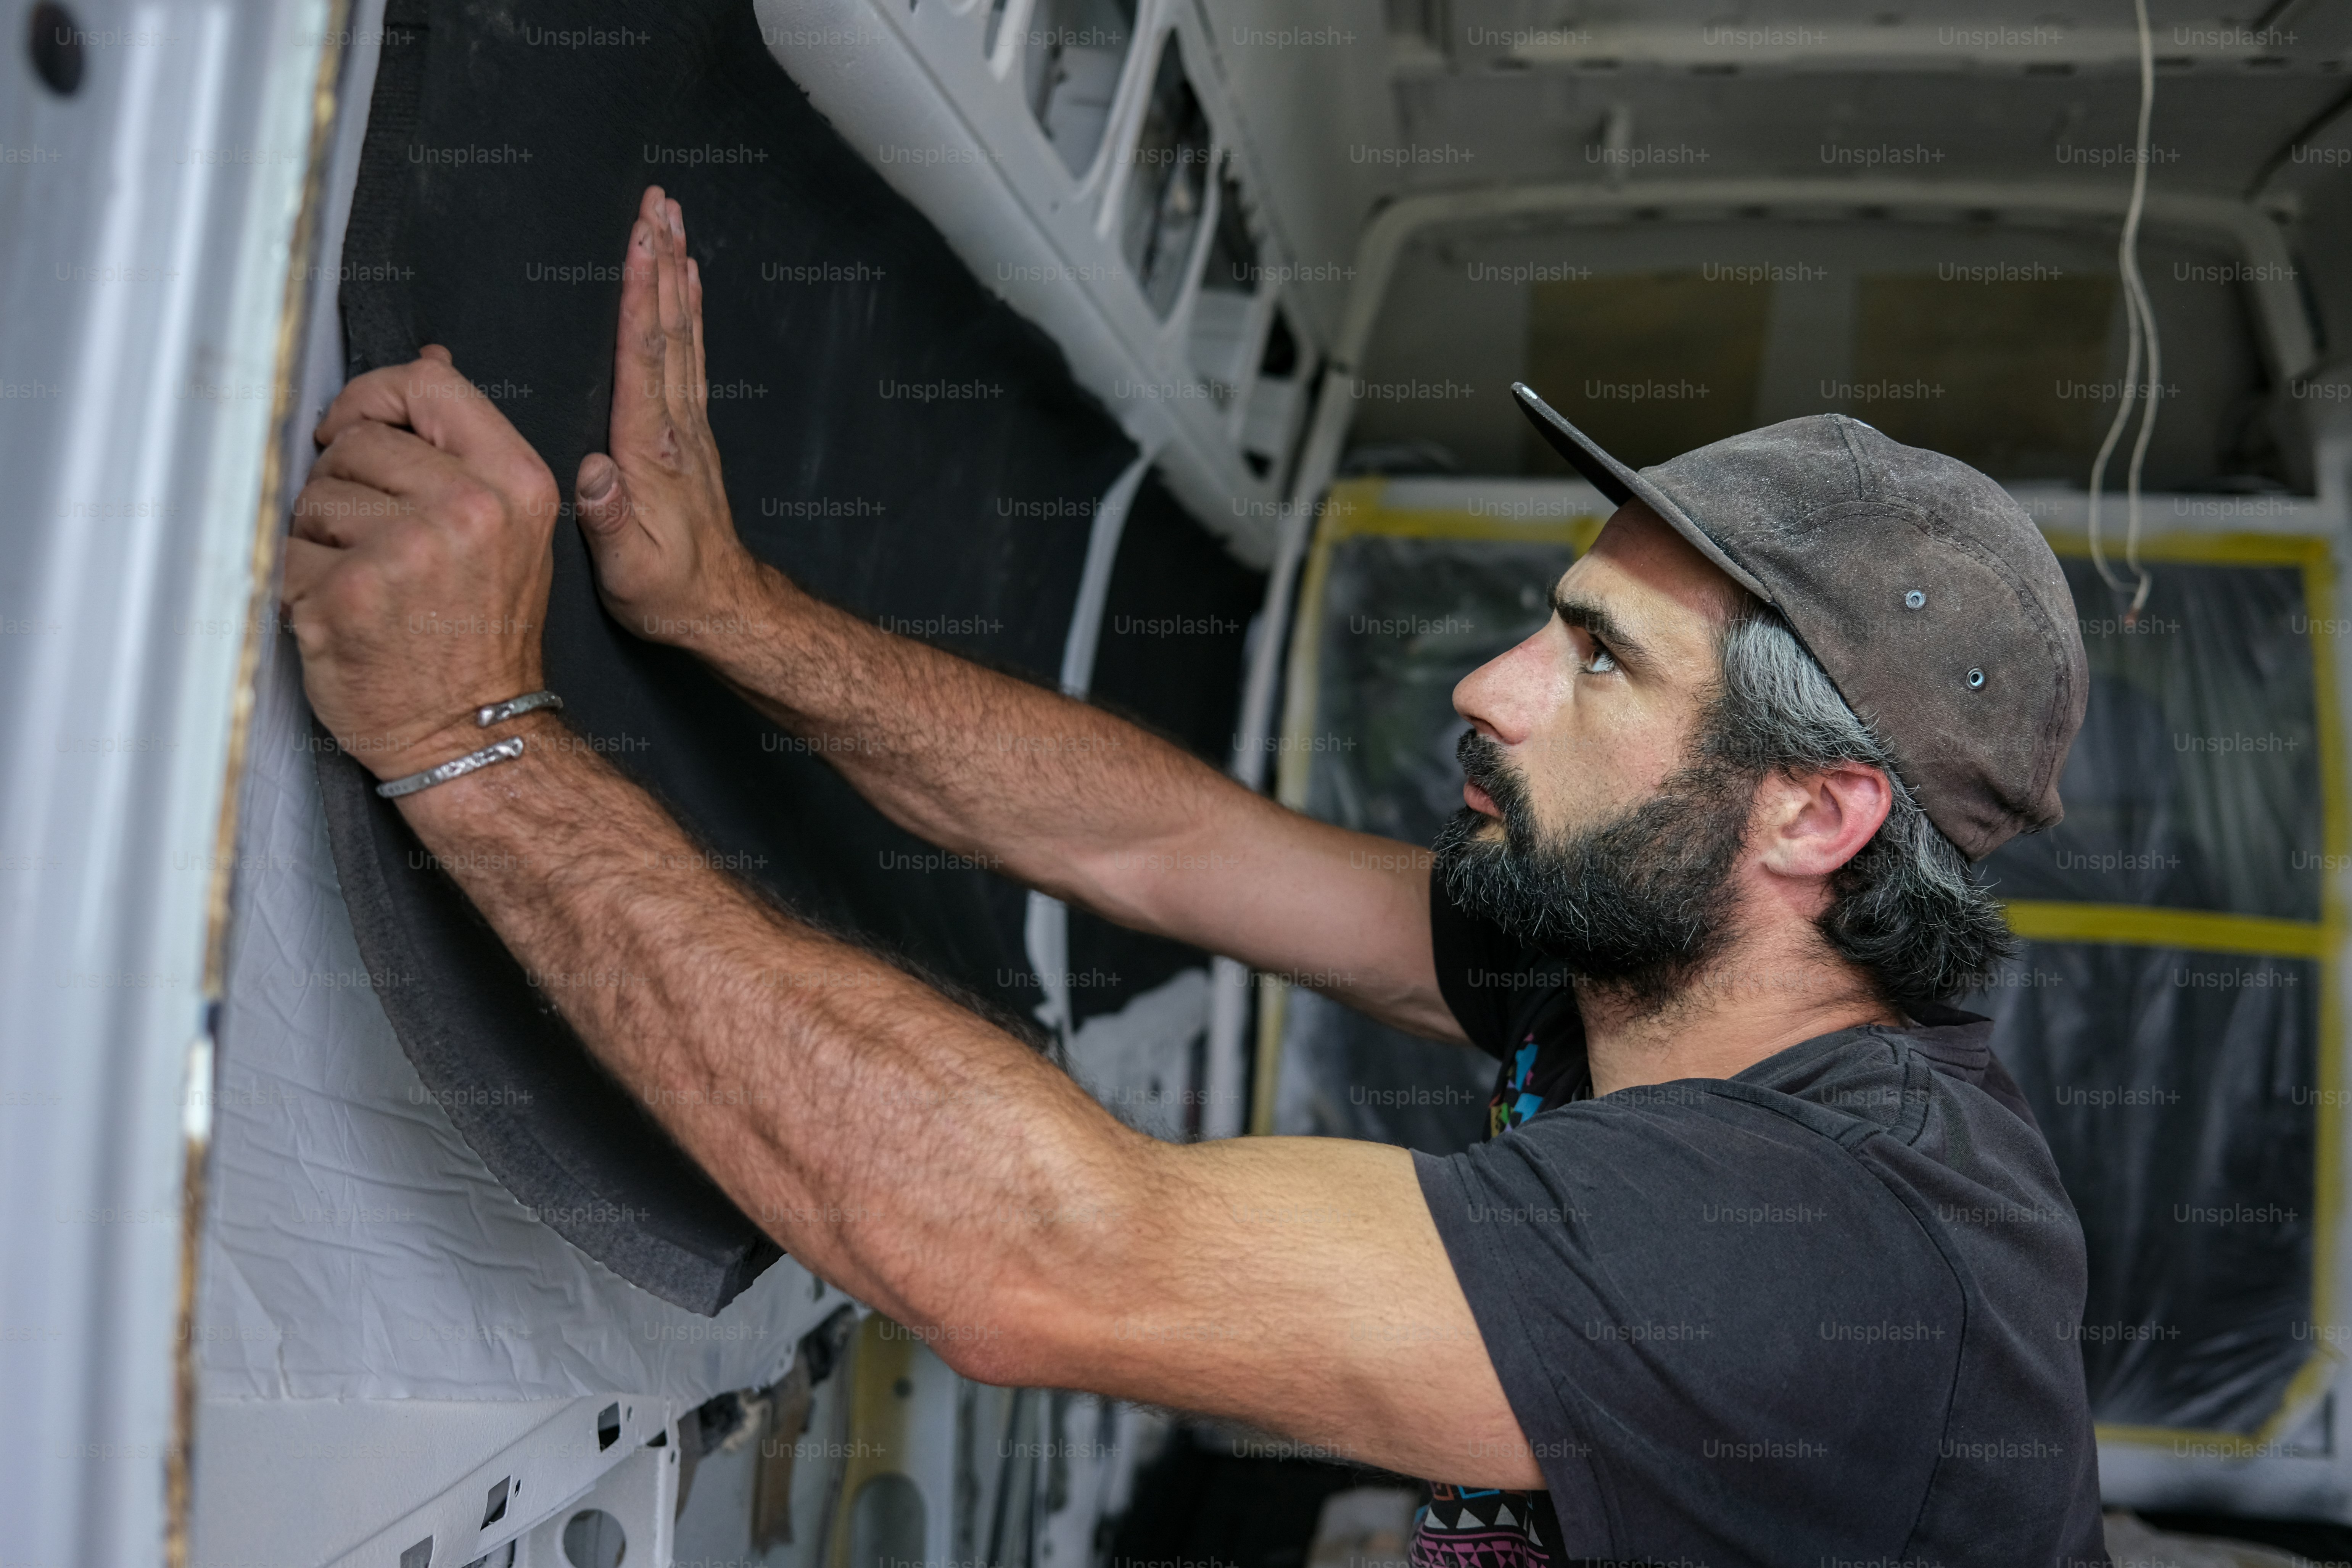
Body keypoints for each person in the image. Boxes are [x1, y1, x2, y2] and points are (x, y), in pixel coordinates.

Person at [282, 184, 2109, 1566]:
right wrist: (726, 611)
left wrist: (473, 736)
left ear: (1812, 817)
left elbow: (1039, 1257)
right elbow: (1165, 843)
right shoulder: (1647, 950)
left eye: (1601, 658)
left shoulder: (1815, 1239)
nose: (1490, 688)